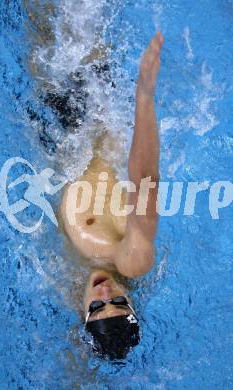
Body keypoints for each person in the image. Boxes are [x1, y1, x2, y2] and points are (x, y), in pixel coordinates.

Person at [60, 32, 164, 359]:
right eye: (118, 302)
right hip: (94, 115)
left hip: (59, 140)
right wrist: (144, 96)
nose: (105, 292)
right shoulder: (130, 261)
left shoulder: (65, 285)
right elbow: (146, 182)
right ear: (132, 301)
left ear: (83, 314)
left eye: (97, 306)